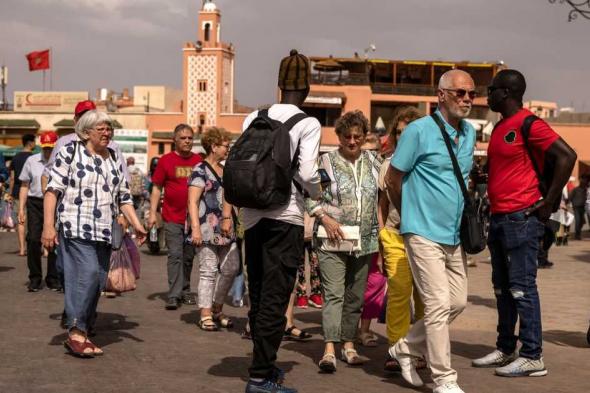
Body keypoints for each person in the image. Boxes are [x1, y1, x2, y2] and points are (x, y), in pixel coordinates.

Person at [472, 69, 576, 377]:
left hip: (522, 219)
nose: (487, 95)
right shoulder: (501, 126)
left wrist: (549, 202)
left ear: (505, 92)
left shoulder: (530, 123)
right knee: (502, 289)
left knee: (522, 288)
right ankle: (506, 348)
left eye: (491, 90)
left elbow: (567, 156)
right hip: (500, 218)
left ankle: (533, 355)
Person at [385, 70, 476, 393]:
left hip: (453, 235)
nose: (466, 99)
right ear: (440, 95)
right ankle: (444, 380)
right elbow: (392, 179)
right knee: (437, 304)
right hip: (421, 231)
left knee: (457, 302)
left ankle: (405, 347)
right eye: (460, 93)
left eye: (471, 94)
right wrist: (409, 215)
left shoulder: (470, 134)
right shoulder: (418, 131)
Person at [242, 50, 321, 393]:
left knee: (259, 293)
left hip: (251, 214)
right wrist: (319, 189)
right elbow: (306, 173)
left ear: (278, 85)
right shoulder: (307, 123)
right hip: (285, 215)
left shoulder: (253, 117)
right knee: (277, 295)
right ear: (306, 87)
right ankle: (259, 378)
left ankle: (263, 365)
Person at [41, 110, 146, 357]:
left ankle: (82, 331)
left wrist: (137, 223)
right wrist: (48, 226)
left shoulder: (112, 158)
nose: (107, 133)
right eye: (102, 129)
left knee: (98, 280)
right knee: (87, 275)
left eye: (109, 129)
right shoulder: (70, 152)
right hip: (74, 226)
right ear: (86, 131)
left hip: (104, 231)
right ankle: (76, 333)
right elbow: (52, 190)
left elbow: (124, 197)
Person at [307, 110, 382, 372]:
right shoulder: (325, 162)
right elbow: (310, 196)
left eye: (357, 136)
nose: (352, 141)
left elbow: (384, 196)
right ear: (338, 136)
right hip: (332, 239)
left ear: (364, 137)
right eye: (347, 136)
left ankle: (349, 346)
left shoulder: (375, 162)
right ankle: (329, 349)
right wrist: (324, 218)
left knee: (355, 297)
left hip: (365, 241)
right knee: (334, 294)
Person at [378, 107, 425, 371]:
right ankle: (396, 350)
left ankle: (418, 350)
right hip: (395, 236)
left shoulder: (429, 163)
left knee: (424, 298)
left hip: (425, 238)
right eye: (399, 132)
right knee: (398, 294)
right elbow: (382, 204)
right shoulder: (389, 163)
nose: (403, 136)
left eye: (409, 132)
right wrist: (381, 236)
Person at [188, 127, 239, 331]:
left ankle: (217, 307)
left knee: (231, 267)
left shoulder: (225, 170)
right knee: (208, 270)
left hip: (226, 227)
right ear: (213, 146)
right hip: (205, 227)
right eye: (225, 145)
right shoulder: (199, 169)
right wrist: (195, 230)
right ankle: (206, 313)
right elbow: (192, 201)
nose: (228, 149)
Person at [148, 124, 201, 310]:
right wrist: (153, 213)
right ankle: (173, 294)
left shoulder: (199, 161)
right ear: (175, 140)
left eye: (190, 138)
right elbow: (156, 188)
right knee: (175, 255)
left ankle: (186, 290)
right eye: (183, 138)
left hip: (193, 220)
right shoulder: (166, 161)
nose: (187, 141)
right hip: (172, 217)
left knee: (188, 257)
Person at [18, 131, 61, 291]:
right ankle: (35, 277)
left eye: (51, 148)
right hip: (35, 203)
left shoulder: (61, 161)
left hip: (56, 203)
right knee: (34, 240)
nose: (48, 151)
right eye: (45, 148)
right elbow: (24, 185)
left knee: (54, 242)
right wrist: (21, 209)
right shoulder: (31, 160)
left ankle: (53, 277)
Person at [9, 133, 36, 256]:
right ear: (30, 143)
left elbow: (13, 178)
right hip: (32, 192)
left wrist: (10, 193)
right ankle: (36, 248)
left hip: (17, 191)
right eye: (34, 141)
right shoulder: (35, 158)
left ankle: (21, 249)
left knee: (21, 221)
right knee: (34, 221)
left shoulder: (15, 157)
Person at [295, 213, 322, 309]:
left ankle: (315, 293)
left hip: (314, 224)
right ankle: (302, 294)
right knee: (300, 263)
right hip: (299, 220)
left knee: (316, 262)